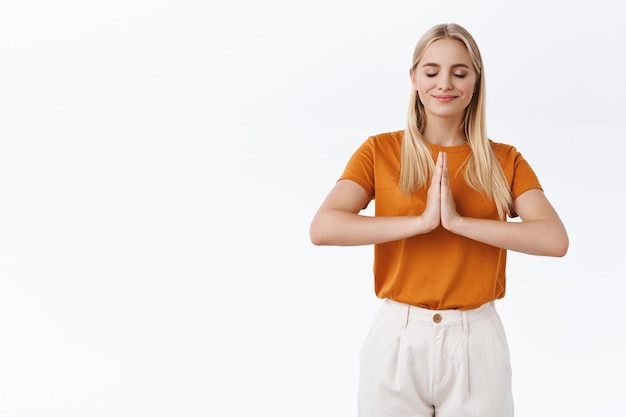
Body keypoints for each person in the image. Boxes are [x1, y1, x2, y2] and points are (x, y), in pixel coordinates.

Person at [309, 22, 569, 417]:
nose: (444, 83)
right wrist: (422, 222)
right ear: (413, 78)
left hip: (476, 341)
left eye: (459, 72)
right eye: (431, 72)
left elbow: (554, 239)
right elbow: (324, 228)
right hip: (397, 336)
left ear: (476, 82)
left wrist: (460, 223)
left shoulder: (504, 160)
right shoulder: (380, 150)